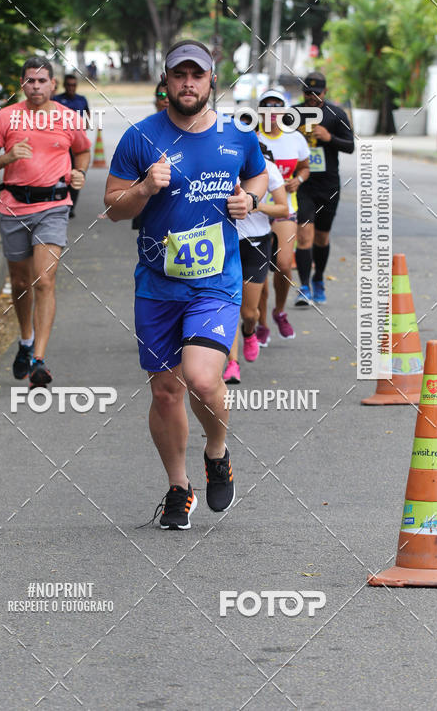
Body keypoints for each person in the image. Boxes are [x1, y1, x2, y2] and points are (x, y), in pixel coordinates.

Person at [104, 39, 268, 530]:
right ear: (167, 80)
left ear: (212, 80)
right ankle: (179, 488)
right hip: (157, 284)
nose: (189, 83)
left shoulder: (238, 135)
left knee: (200, 378)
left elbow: (259, 178)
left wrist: (251, 203)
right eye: (180, 75)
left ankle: (216, 452)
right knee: (165, 392)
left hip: (216, 282)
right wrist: (144, 188)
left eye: (198, 75)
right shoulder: (140, 137)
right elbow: (113, 208)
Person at [0, 57, 91, 386]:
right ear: (22, 84)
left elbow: (83, 150)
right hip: (13, 207)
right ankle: (25, 340)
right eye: (30, 81)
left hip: (54, 207)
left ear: (53, 85)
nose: (36, 86)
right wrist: (8, 157)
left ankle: (39, 360)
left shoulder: (68, 118)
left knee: (44, 281)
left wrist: (79, 172)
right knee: (19, 282)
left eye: (42, 81)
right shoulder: (5, 117)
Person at [223, 143, 287, 384]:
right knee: (228, 304)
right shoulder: (222, 169)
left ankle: (249, 330)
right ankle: (232, 363)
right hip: (224, 242)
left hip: (256, 245)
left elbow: (283, 208)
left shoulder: (267, 169)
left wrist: (254, 204)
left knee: (249, 312)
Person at [294, 71, 354, 305]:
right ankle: (304, 286)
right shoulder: (294, 114)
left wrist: (329, 137)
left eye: (316, 93)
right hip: (303, 184)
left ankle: (318, 278)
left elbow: (350, 146)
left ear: (325, 92)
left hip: (328, 184)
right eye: (307, 93)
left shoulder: (336, 114)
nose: (311, 97)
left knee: (321, 237)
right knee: (304, 234)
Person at [256, 88, 310, 341]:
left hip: (285, 209)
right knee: (260, 274)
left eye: (277, 107)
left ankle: (279, 311)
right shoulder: (253, 138)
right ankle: (261, 323)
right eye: (267, 107)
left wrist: (298, 179)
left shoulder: (295, 138)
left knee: (284, 265)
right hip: (255, 213)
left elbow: (305, 167)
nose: (272, 112)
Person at [131, 84, 169, 230]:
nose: (165, 100)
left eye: (168, 96)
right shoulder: (144, 128)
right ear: (155, 100)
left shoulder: (186, 127)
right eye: (161, 96)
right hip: (148, 198)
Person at [54, 74, 91, 219]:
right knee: (61, 174)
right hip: (61, 144)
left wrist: (84, 127)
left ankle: (70, 206)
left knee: (76, 174)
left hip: (76, 144)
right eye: (68, 85)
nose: (71, 87)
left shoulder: (81, 100)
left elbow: (87, 116)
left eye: (73, 85)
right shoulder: (57, 100)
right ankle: (59, 203)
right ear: (64, 86)